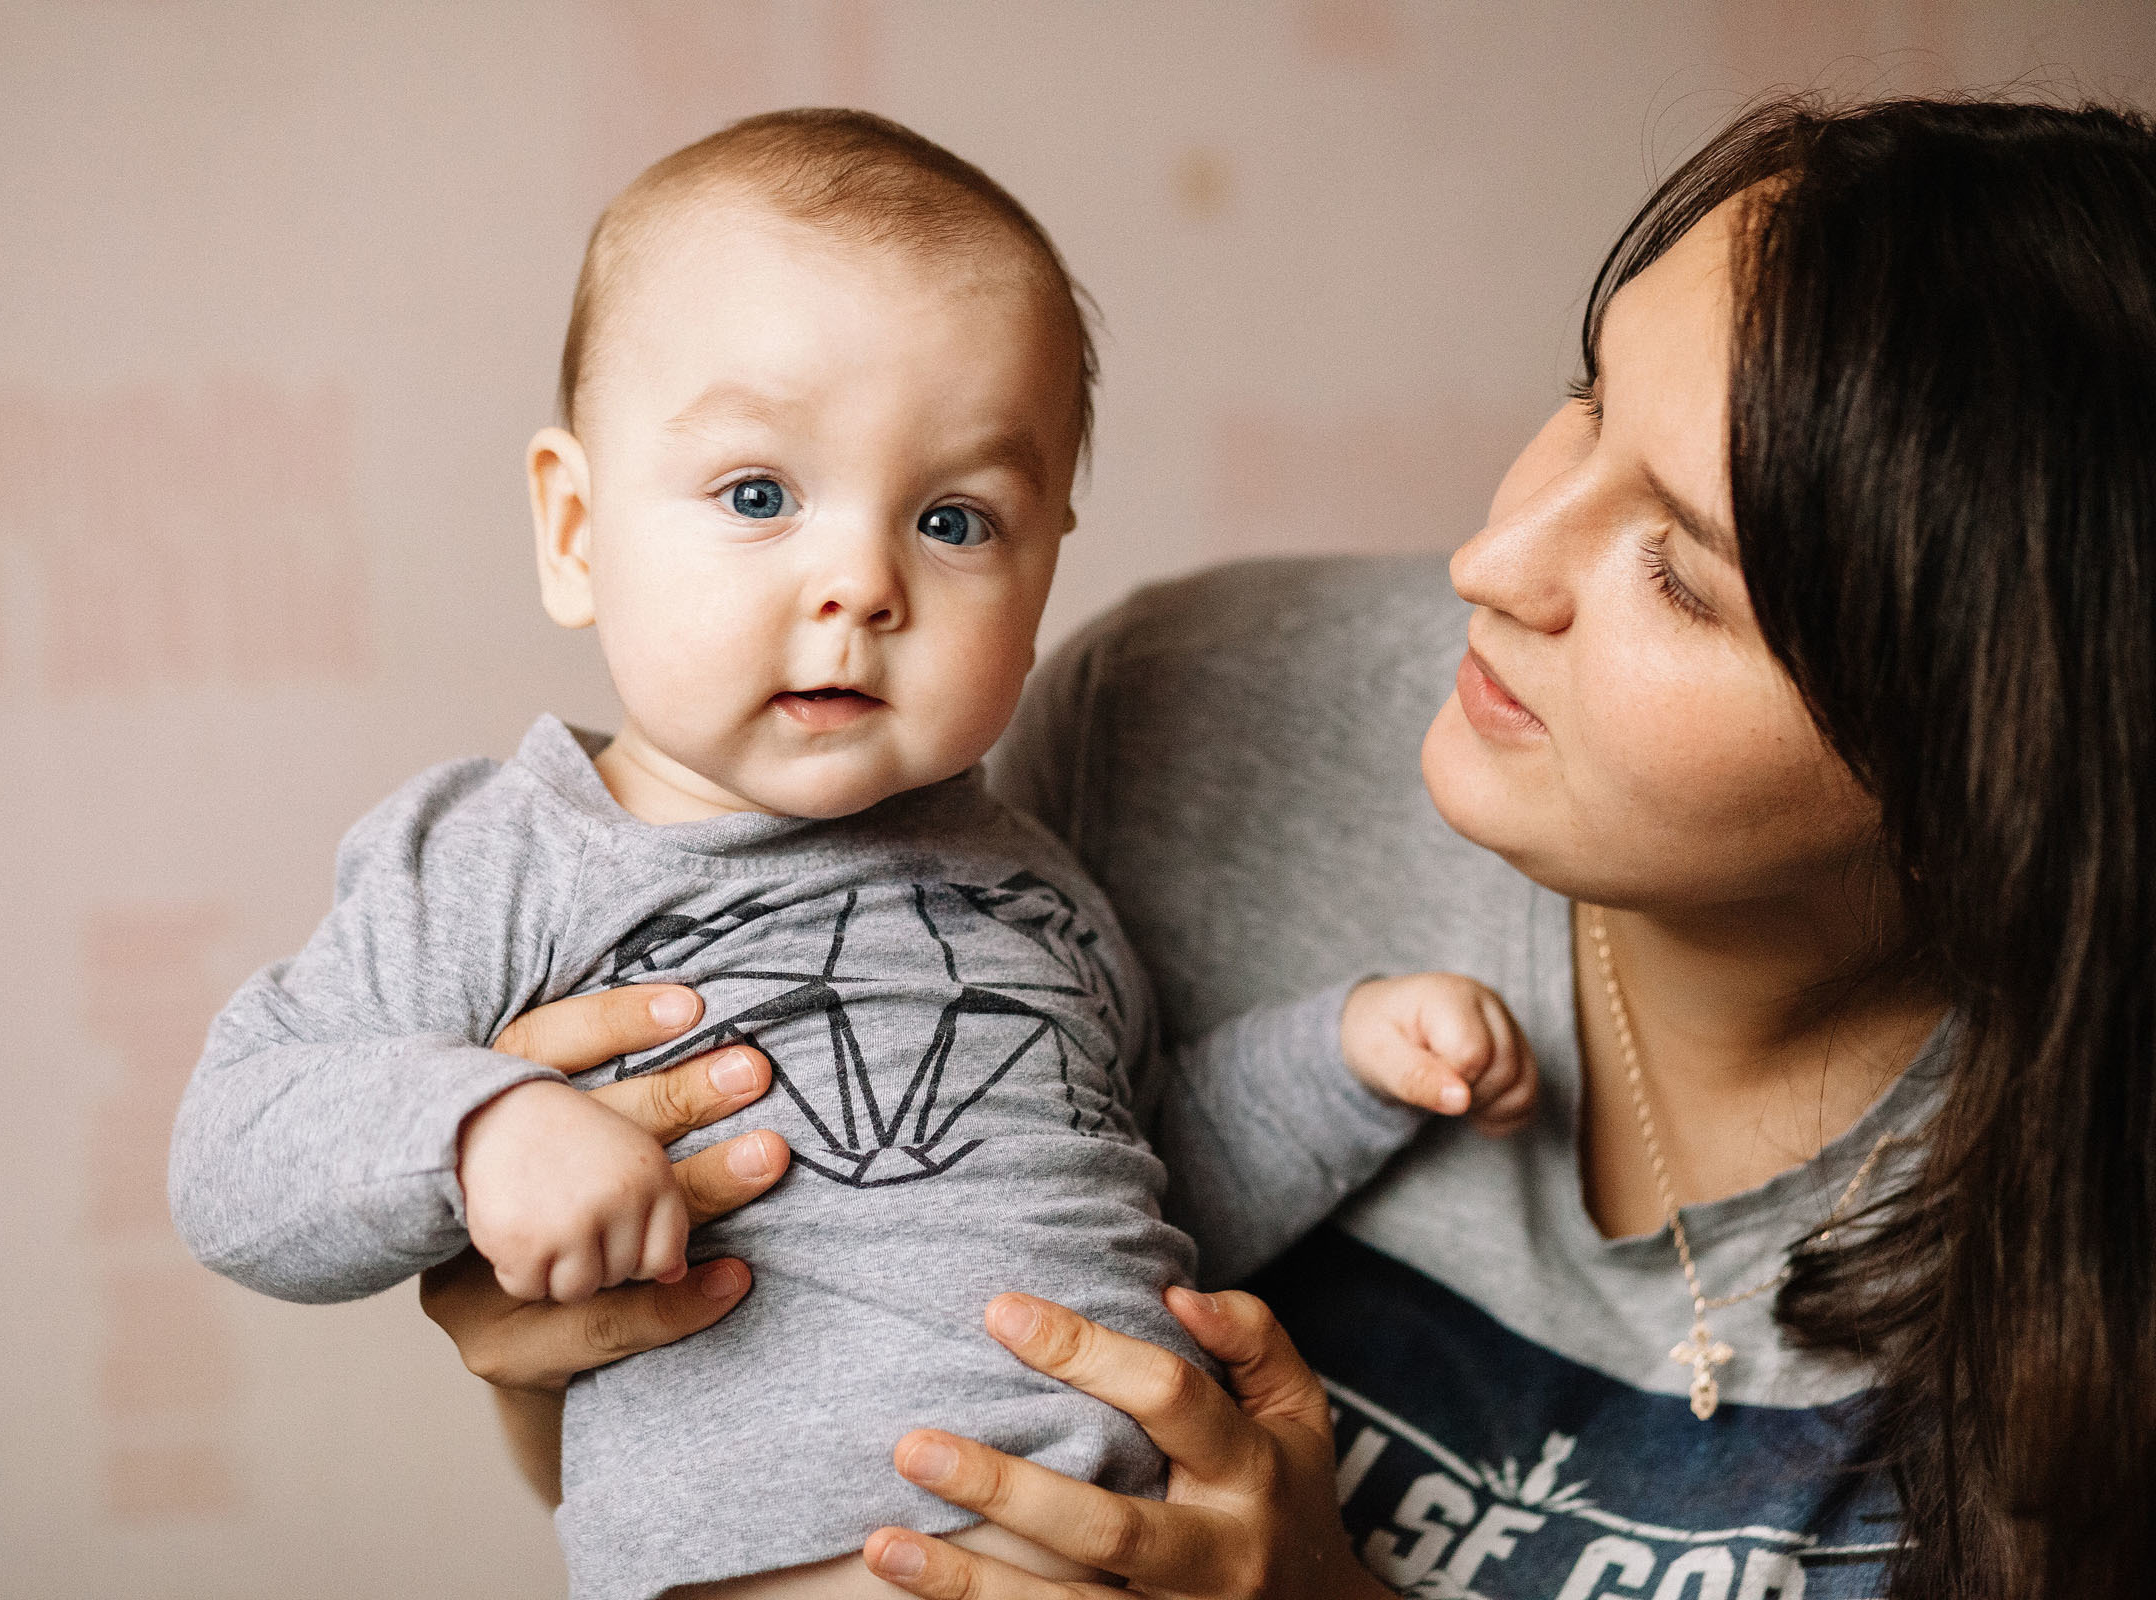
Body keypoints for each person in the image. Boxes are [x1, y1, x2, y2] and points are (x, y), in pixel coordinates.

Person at [425, 95, 2156, 1600]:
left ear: (1986, 748)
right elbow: (784, 1433)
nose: (1499, 556)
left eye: (1683, 573)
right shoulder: (1184, 719)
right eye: (1585, 398)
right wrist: (566, 1333)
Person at [167, 109, 1532, 1599]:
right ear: (572, 528)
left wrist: (1336, 1064)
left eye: (955, 520)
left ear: (1050, 557)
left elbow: (1138, 1172)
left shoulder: (1033, 883)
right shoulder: (513, 856)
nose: (862, 584)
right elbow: (236, 1144)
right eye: (760, 496)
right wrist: (485, 1128)